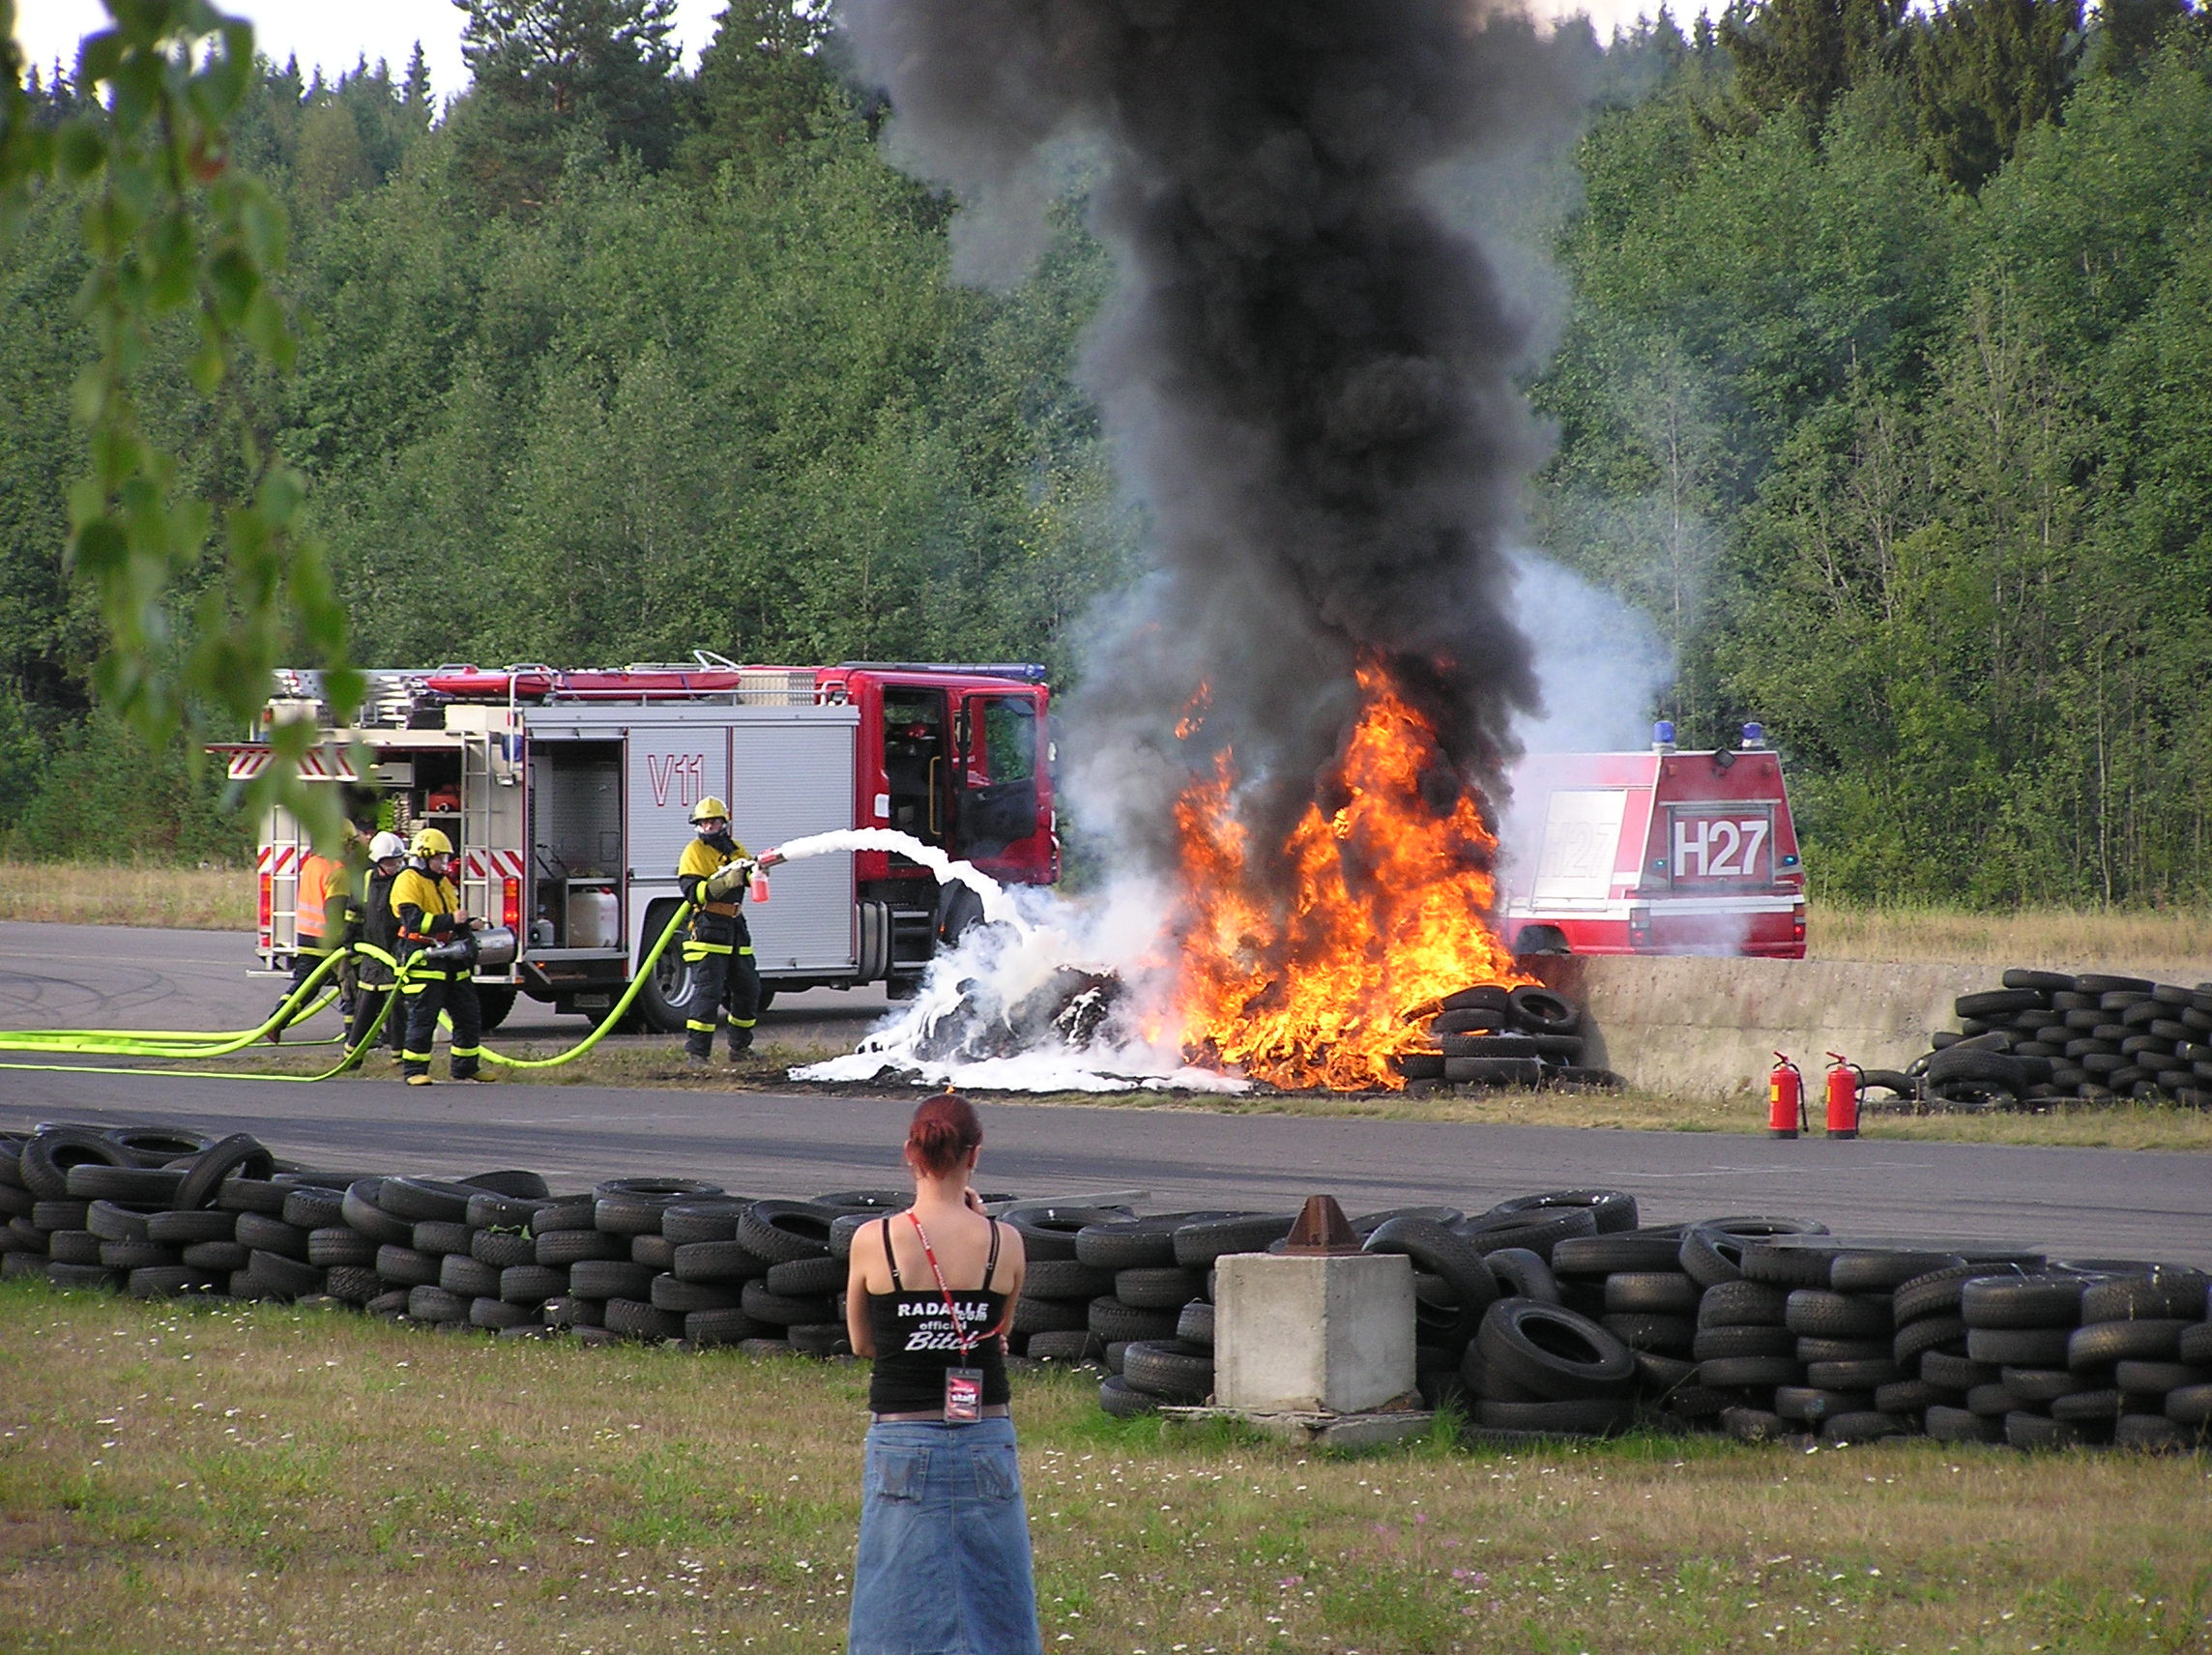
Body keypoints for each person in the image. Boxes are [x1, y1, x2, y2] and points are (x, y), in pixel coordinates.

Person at [844, 1092, 1041, 1655]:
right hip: (985, 1432)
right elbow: (999, 1332)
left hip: (903, 1431)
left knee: (895, 1587)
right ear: (974, 1156)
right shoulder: (1005, 1242)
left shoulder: (874, 1239)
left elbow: (863, 1344)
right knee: (995, 1590)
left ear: (911, 1153)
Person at [673, 797, 774, 1068]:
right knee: (708, 993)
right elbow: (694, 893)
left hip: (735, 926)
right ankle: (698, 1054)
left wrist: (757, 872)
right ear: (697, 825)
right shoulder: (693, 852)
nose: (709, 826)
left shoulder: (736, 848)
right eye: (704, 822)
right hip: (708, 927)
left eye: (714, 821)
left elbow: (750, 876)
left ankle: (740, 1047)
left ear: (724, 822)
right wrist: (724, 881)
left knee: (748, 988)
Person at [391, 827, 487, 1086]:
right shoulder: (407, 880)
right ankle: (414, 1070)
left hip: (450, 955)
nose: (444, 864)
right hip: (422, 955)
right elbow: (413, 921)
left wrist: (468, 924)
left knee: (469, 1013)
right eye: (439, 858)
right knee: (424, 1016)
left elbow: (450, 918)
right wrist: (450, 920)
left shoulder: (442, 882)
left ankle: (466, 1067)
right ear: (424, 856)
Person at [268, 821, 359, 1040]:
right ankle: (355, 1033)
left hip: (306, 936)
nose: (351, 848)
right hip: (328, 941)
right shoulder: (338, 872)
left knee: (305, 987)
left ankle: (276, 1021)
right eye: (349, 843)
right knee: (352, 984)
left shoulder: (312, 863)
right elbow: (335, 912)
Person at [343, 830, 410, 1065]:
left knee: (396, 1008)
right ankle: (352, 1057)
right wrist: (349, 941)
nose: (395, 866)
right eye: (391, 862)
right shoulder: (366, 880)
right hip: (371, 953)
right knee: (365, 1006)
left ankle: (399, 1057)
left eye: (398, 861)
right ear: (378, 861)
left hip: (394, 953)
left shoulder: (402, 881)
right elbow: (354, 911)